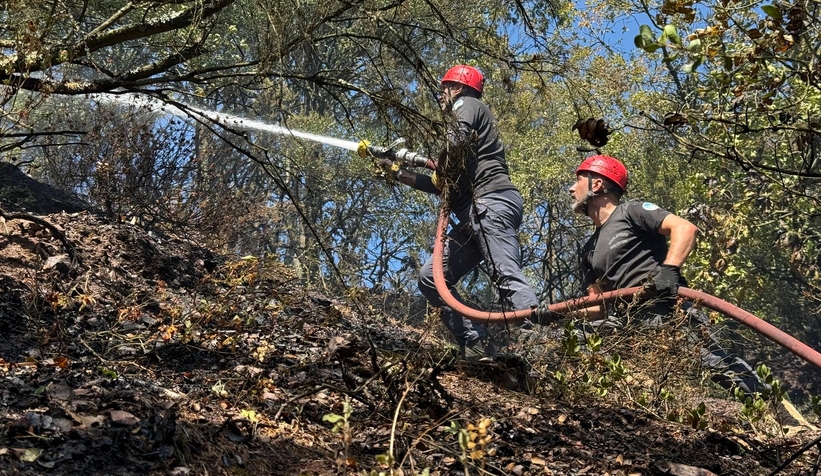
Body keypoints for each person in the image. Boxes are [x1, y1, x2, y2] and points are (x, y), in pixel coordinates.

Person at [568, 154, 767, 396]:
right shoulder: (588, 249)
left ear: (596, 184)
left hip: (665, 307)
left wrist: (669, 271)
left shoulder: (631, 212)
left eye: (578, 180)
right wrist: (557, 314)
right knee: (579, 340)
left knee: (718, 365)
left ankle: (768, 406)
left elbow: (684, 228)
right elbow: (597, 306)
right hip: (628, 322)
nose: (571, 188)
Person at [382, 65, 538, 359]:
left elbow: (454, 149)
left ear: (458, 87)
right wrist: (399, 174)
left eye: (445, 88)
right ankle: (475, 342)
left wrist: (438, 164)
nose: (442, 95)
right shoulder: (461, 123)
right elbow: (443, 183)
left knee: (504, 273)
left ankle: (539, 345)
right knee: (431, 277)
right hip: (472, 212)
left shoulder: (467, 104)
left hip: (491, 202)